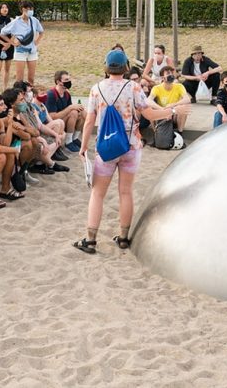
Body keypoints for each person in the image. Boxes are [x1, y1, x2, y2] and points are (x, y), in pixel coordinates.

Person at [72, 49, 173, 254]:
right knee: (125, 192)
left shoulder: (96, 89)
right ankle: (124, 237)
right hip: (131, 145)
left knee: (98, 193)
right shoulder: (133, 87)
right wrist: (170, 111)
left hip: (107, 147)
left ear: (106, 66)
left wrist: (83, 147)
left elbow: (90, 120)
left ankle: (91, 240)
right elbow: (149, 113)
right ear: (126, 66)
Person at [0, 0, 44, 87]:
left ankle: (30, 96)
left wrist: (37, 41)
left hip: (32, 51)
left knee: (31, 78)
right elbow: (2, 33)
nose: (31, 11)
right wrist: (12, 43)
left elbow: (41, 31)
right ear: (23, 9)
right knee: (19, 79)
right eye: (29, 9)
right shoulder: (16, 21)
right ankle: (19, 97)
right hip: (20, 51)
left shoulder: (34, 20)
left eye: (32, 9)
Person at [45, 70, 85, 152]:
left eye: (69, 79)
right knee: (73, 112)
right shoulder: (51, 94)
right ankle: (68, 141)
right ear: (58, 82)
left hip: (63, 120)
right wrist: (70, 108)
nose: (69, 82)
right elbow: (52, 117)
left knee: (82, 112)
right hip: (53, 123)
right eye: (66, 80)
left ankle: (75, 138)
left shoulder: (66, 93)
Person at [148, 65, 191, 131]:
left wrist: (173, 105)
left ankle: (180, 133)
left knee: (184, 107)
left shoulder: (179, 86)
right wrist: (163, 110)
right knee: (150, 108)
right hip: (161, 114)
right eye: (168, 73)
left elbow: (187, 99)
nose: (171, 75)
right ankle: (155, 132)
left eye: (171, 73)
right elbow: (149, 101)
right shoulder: (157, 88)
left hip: (174, 114)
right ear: (163, 78)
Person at [0, 2, 15, 92]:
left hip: (9, 45)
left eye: (6, 7)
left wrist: (9, 44)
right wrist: (3, 44)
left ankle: (5, 88)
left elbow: (14, 33)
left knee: (7, 69)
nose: (5, 9)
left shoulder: (12, 20)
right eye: (2, 7)